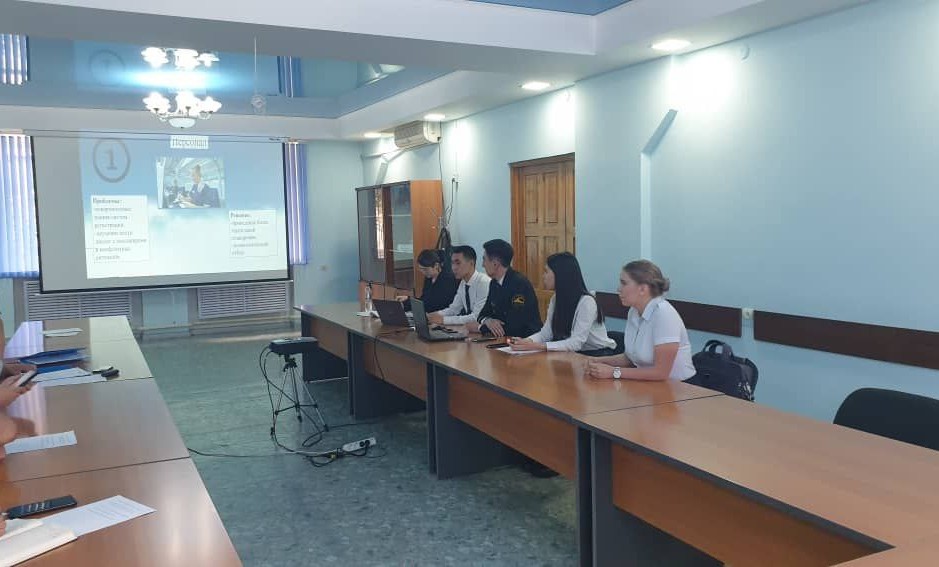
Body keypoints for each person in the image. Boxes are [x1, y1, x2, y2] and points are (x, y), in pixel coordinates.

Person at [585, 260, 696, 381]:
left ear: (642, 289)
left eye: (624, 283)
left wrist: (613, 372)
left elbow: (660, 372)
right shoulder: (634, 311)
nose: (619, 289)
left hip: (681, 386)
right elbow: (630, 359)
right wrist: (598, 361)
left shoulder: (664, 314)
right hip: (650, 384)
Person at [509, 252, 617, 354]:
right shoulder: (555, 299)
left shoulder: (587, 302)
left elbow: (576, 343)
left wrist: (535, 346)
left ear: (560, 274)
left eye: (546, 271)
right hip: (573, 353)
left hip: (598, 354)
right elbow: (546, 333)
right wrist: (526, 341)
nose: (543, 276)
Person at [467, 239, 541, 338]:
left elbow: (515, 326)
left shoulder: (519, 284)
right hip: (504, 339)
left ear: (495, 264)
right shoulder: (494, 283)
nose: (482, 265)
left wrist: (480, 327)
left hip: (527, 340)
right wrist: (488, 321)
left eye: (484, 260)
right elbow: (482, 314)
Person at [428, 246, 491, 326]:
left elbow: (477, 317)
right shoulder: (463, 283)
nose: (454, 268)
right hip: (470, 328)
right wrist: (434, 315)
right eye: (452, 263)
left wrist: (443, 320)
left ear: (471, 263)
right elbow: (454, 309)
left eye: (458, 263)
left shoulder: (483, 282)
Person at [397, 249, 459, 313]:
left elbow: (434, 304)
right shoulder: (429, 278)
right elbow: (424, 299)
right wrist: (407, 299)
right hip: (430, 313)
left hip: (442, 314)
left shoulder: (448, 280)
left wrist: (408, 302)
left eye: (425, 269)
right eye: (421, 269)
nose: (423, 272)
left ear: (436, 265)